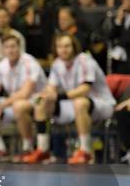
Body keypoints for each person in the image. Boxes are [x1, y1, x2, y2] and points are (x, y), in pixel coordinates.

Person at [24, 34, 116, 164]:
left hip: (101, 104)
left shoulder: (85, 60)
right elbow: (51, 87)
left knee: (79, 102)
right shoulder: (57, 64)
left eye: (67, 46)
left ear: (74, 47)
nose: (63, 50)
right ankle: (42, 150)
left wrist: (58, 96)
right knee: (41, 103)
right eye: (60, 47)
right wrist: (45, 95)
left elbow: (84, 89)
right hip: (73, 105)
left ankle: (86, 151)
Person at [0, 34, 47, 163]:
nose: (10, 50)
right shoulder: (2, 65)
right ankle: (0, 149)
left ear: (20, 48)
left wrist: (1, 106)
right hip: (13, 101)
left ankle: (27, 148)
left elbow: (25, 93)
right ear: (3, 50)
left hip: (36, 100)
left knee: (19, 105)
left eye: (13, 46)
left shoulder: (30, 62)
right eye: (7, 47)